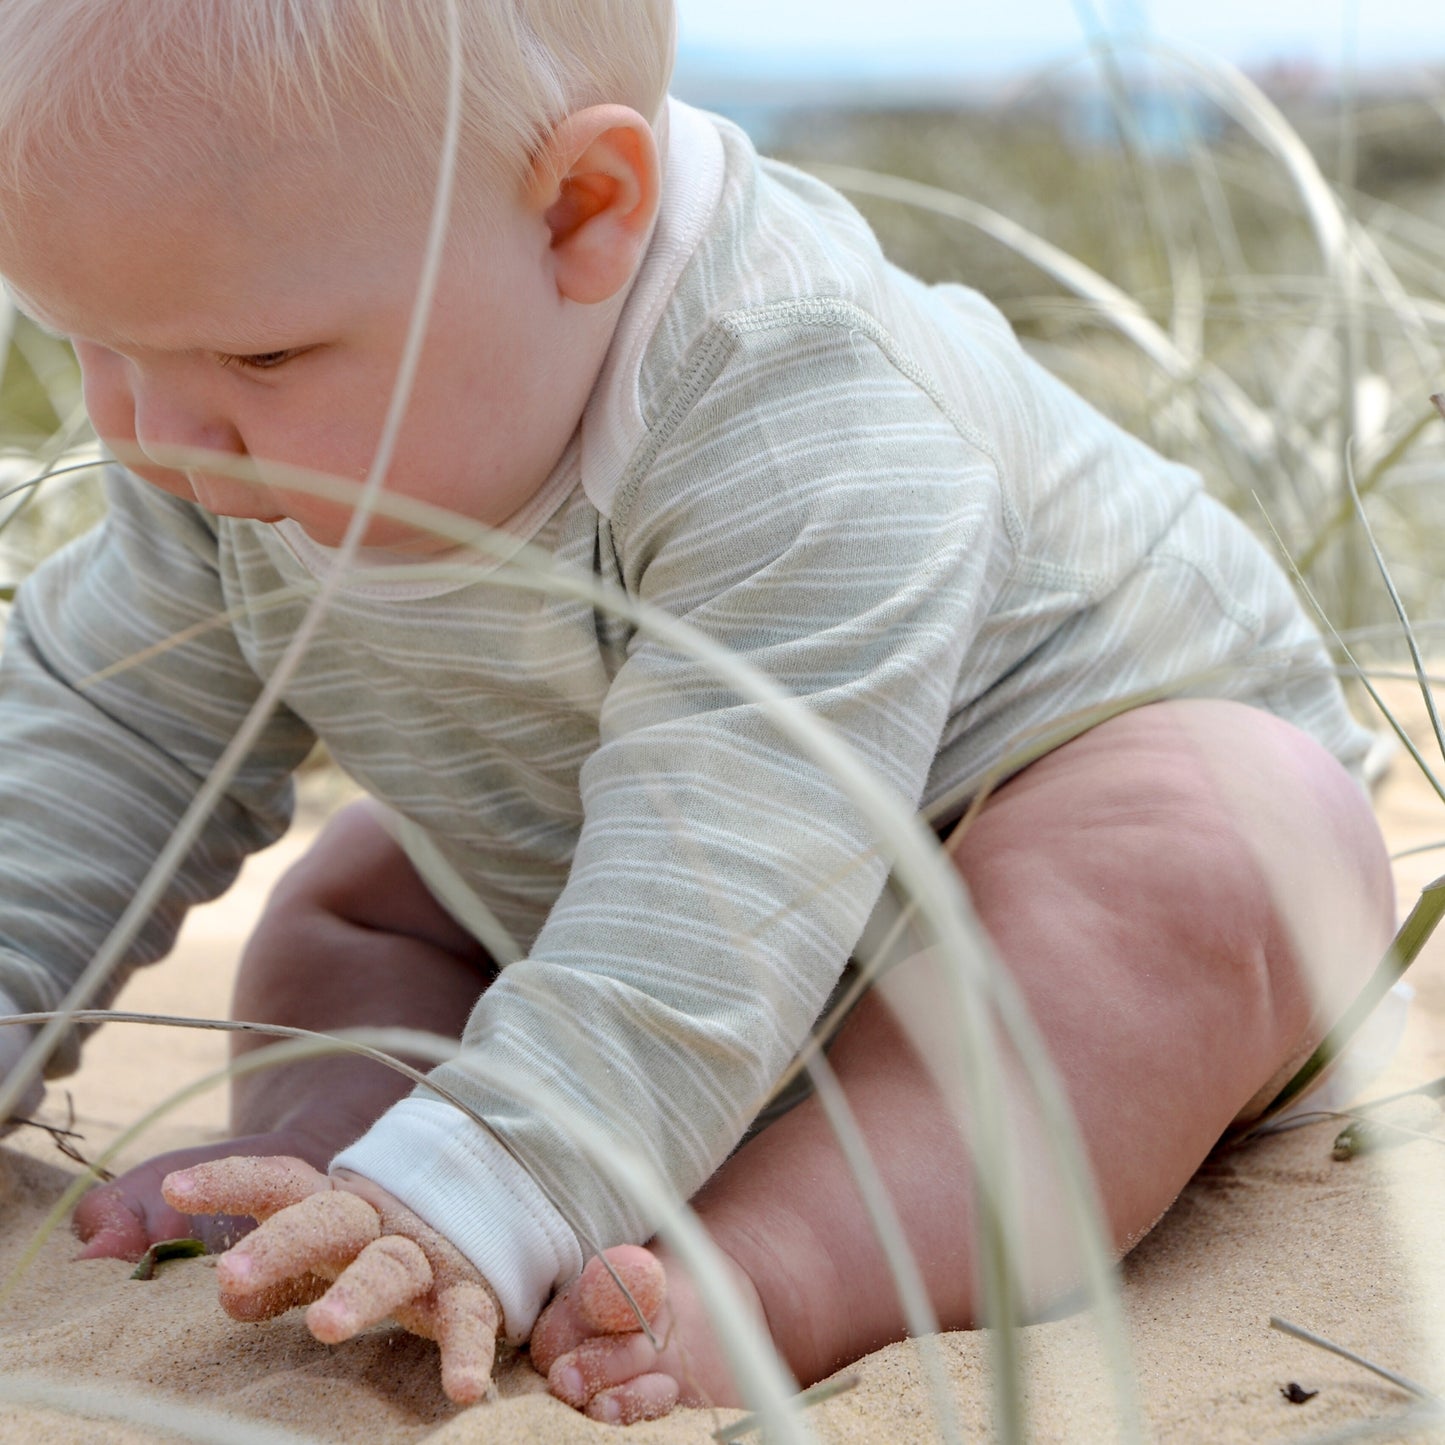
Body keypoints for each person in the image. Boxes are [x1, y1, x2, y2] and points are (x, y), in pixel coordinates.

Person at [0, 0, 1394, 1426]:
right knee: (360, 894)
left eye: (264, 360)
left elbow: (743, 852)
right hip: (631, 910)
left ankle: (780, 1260)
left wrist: (507, 1162)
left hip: (995, 881)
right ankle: (332, 1147)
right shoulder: (200, 405)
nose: (148, 432)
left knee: (1206, 839)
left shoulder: (800, 402)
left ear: (583, 215)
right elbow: (102, 733)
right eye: (89, 342)